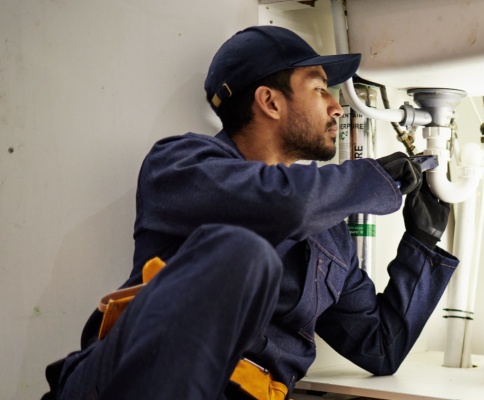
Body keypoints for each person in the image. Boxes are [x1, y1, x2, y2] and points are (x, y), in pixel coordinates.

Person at [42, 25, 457, 399]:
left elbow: (380, 347)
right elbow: (286, 204)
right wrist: (370, 180)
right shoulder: (180, 165)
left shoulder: (330, 234)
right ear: (270, 102)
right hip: (134, 378)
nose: (336, 107)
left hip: (249, 393)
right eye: (319, 89)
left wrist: (421, 244)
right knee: (244, 252)